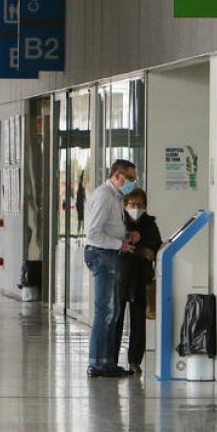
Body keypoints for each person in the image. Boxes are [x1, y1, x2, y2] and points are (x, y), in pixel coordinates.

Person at [84, 159, 139, 378]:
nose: (132, 184)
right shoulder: (105, 196)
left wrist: (125, 236)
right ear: (117, 175)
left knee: (112, 310)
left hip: (110, 253)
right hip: (102, 255)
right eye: (130, 179)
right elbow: (93, 233)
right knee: (105, 310)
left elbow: (109, 229)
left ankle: (107, 361)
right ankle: (97, 362)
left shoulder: (116, 198)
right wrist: (120, 244)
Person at [114, 188, 162, 375]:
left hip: (141, 278)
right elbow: (118, 248)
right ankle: (111, 358)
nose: (136, 208)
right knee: (116, 320)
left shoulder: (150, 224)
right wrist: (142, 250)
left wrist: (137, 249)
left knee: (138, 322)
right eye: (132, 204)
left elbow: (154, 249)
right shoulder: (117, 222)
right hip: (120, 278)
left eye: (140, 205)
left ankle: (135, 360)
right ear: (125, 205)